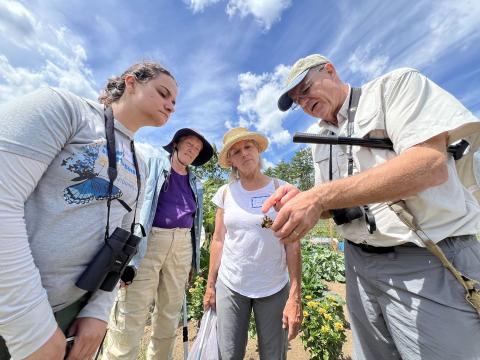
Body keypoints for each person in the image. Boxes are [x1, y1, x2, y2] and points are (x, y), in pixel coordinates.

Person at [262, 53, 480, 360]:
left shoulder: (393, 88)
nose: (303, 100)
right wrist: (305, 199)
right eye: (297, 100)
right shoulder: (319, 141)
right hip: (358, 265)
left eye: (306, 88)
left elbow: (430, 165)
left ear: (330, 70)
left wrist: (318, 198)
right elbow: (333, 199)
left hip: (426, 260)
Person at [0, 61, 177, 360]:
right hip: (14, 310)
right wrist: (29, 326)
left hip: (71, 314)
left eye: (174, 102)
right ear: (131, 82)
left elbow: (123, 241)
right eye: (163, 93)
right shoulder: (64, 109)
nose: (170, 105)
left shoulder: (140, 163)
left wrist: (97, 310)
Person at [102, 128, 213, 359]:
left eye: (197, 149)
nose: (192, 150)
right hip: (150, 240)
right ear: (176, 144)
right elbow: (135, 204)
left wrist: (192, 260)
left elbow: (196, 222)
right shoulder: (152, 165)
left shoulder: (196, 183)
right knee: (132, 308)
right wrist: (128, 252)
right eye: (189, 145)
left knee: (169, 313)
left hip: (182, 245)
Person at [203, 127, 302, 360]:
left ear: (257, 150)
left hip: (273, 286)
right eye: (236, 151)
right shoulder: (225, 193)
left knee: (273, 354)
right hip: (231, 284)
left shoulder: (280, 189)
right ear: (231, 161)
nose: (244, 153)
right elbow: (218, 239)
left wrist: (295, 295)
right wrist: (210, 285)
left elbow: (292, 244)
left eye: (248, 147)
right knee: (228, 354)